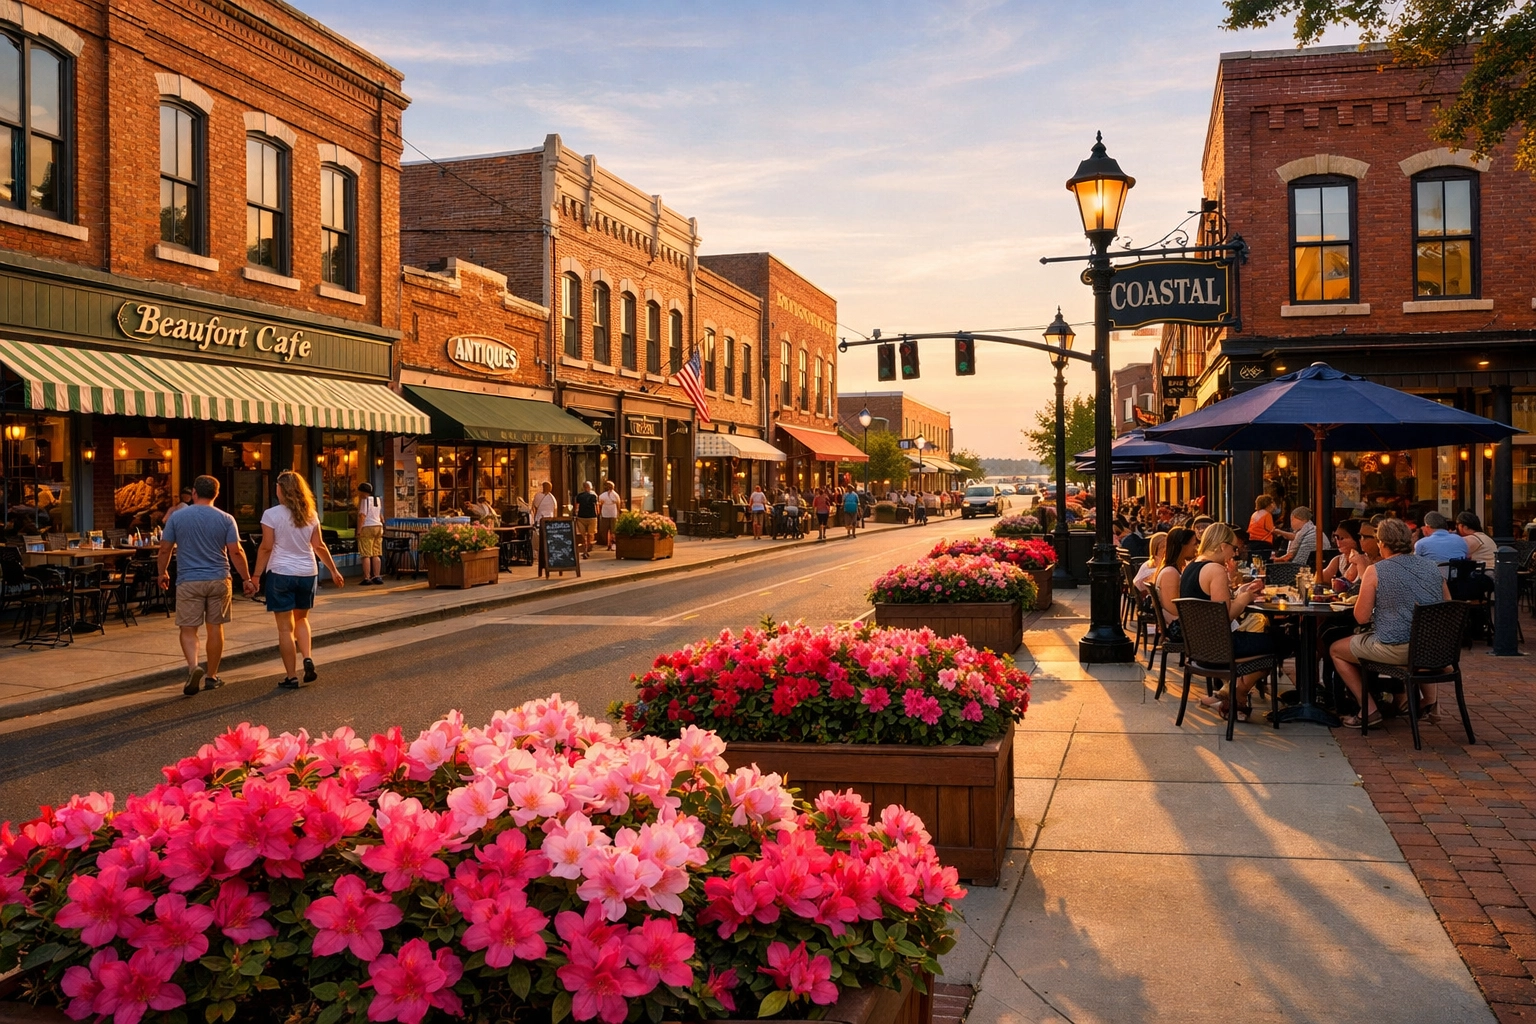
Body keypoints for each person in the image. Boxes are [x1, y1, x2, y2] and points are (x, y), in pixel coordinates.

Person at [1329, 517, 1452, 727]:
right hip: (1435, 650)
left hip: (1397, 648)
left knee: (1335, 649)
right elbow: (1447, 606)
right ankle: (1430, 703)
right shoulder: (1431, 568)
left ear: (1382, 543)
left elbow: (1361, 617)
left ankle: (1369, 709)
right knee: (1416, 635)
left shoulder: (1377, 570)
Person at [156, 475, 254, 696]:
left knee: (188, 629)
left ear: (194, 493)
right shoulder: (226, 519)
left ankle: (193, 667)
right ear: (216, 494)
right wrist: (247, 578)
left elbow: (165, 549)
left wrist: (162, 572)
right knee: (215, 627)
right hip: (219, 578)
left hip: (189, 580)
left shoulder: (177, 517)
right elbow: (236, 551)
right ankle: (212, 676)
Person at [252, 470, 343, 690]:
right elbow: (319, 546)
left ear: (281, 489)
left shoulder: (271, 514)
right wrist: (333, 570)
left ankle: (291, 676)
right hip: (307, 573)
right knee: (301, 619)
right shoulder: (310, 513)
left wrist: (255, 576)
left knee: (285, 628)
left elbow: (266, 546)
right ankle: (308, 658)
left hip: (281, 572)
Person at [1182, 522, 1273, 722]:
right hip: (1221, 648)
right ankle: (1237, 692)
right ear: (1222, 546)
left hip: (1199, 649)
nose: (1235, 553)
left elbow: (1213, 605)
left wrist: (1239, 593)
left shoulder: (1192, 567)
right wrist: (1245, 598)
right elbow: (1223, 616)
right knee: (1284, 642)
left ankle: (1228, 694)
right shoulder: (1215, 569)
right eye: (1234, 548)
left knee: (1269, 641)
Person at [1154, 527, 1199, 640]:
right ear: (1183, 546)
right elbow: (1173, 608)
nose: (1196, 548)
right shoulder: (1170, 573)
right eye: (1194, 544)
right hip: (1179, 629)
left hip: (1179, 624)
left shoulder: (1174, 569)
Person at [1319, 519, 1369, 590]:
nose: (1338, 542)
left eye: (1342, 538)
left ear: (1356, 539)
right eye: (1336, 538)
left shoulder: (1364, 559)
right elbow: (1321, 578)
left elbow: (1348, 579)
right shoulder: (1339, 559)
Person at [356, 482, 384, 585]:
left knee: (366, 554)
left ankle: (367, 577)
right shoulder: (378, 500)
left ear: (363, 492)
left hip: (367, 527)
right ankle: (377, 576)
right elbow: (381, 516)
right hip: (378, 527)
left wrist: (358, 531)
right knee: (376, 553)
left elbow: (362, 516)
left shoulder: (364, 500)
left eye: (360, 491)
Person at [1133, 532, 1168, 596]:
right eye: (1163, 547)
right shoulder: (1150, 568)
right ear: (1155, 550)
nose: (1166, 549)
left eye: (1168, 546)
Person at [573, 481, 598, 559]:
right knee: (590, 534)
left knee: (583, 536)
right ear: (590, 487)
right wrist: (597, 515)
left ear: (584, 487)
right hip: (591, 517)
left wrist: (576, 514)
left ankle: (585, 550)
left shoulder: (579, 496)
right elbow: (597, 508)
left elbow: (576, 507)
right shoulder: (594, 496)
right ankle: (588, 547)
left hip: (581, 517)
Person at [597, 480, 621, 551]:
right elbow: (618, 505)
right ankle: (613, 543)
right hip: (613, 513)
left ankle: (608, 544)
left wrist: (600, 512)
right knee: (613, 530)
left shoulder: (602, 495)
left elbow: (599, 504)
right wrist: (618, 513)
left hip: (605, 513)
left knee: (605, 530)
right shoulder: (616, 495)